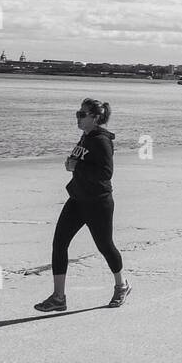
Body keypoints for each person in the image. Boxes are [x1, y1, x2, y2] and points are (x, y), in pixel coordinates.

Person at [35, 98, 130, 312]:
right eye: (78, 112)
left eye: (82, 114)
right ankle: (59, 297)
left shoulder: (101, 141)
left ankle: (121, 285)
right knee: (59, 243)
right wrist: (72, 164)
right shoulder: (86, 138)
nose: (77, 116)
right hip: (77, 199)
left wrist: (77, 166)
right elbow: (83, 164)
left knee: (105, 246)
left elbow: (106, 173)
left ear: (95, 118)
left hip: (98, 202)